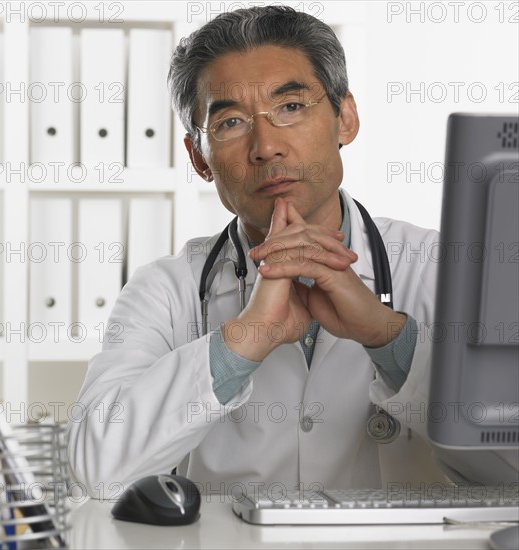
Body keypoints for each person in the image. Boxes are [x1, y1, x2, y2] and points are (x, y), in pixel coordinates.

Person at [67, 6, 516, 499]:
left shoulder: (442, 267)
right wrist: (241, 341)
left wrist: (387, 336)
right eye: (231, 122)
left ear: (345, 118)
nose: (266, 146)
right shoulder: (165, 291)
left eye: (291, 108)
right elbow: (97, 469)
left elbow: (511, 463)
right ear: (199, 158)